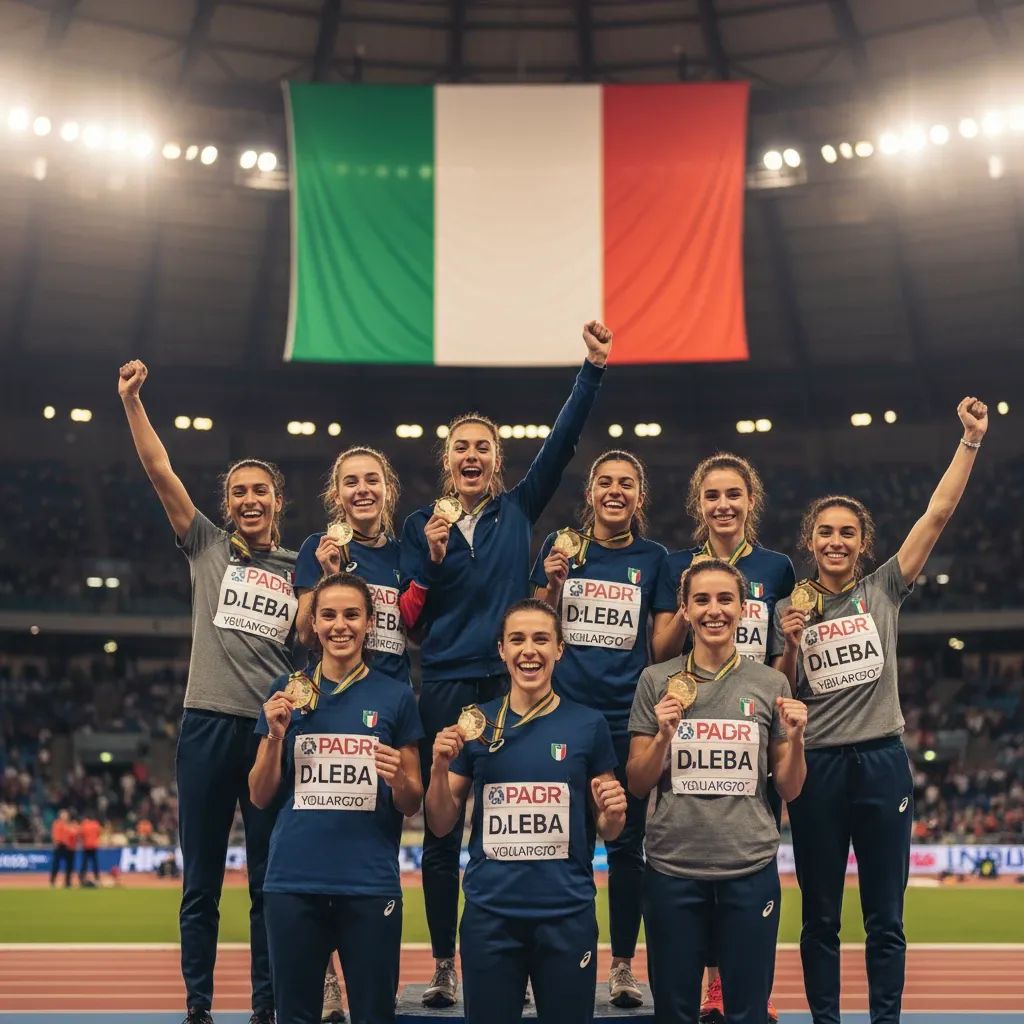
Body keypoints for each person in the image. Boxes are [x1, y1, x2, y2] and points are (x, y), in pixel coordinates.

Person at [400, 321, 613, 1006]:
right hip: (444, 680)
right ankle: (442, 964)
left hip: (508, 683)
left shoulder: (519, 507)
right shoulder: (418, 526)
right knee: (442, 830)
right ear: (446, 460)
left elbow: (563, 442)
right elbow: (405, 622)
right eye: (460, 446)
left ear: (497, 461)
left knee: (513, 820)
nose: (471, 455)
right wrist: (429, 566)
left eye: (483, 448)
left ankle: (526, 954)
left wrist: (592, 370)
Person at [772, 398, 988, 1024]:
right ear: (810, 542)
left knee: (885, 919)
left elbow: (938, 513)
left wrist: (970, 440)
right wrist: (788, 644)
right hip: (818, 772)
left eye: (847, 533)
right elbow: (784, 699)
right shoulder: (790, 609)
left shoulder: (885, 588)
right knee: (818, 917)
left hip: (882, 763)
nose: (835, 542)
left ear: (863, 544)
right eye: (825, 532)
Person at [119, 358, 299, 1024]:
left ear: (278, 502)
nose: (251, 500)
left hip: (267, 738)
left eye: (261, 491)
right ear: (229, 505)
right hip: (203, 726)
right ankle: (197, 1006)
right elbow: (160, 471)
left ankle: (265, 1007)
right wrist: (134, 402)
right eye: (240, 492)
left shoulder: (300, 567)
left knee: (265, 887)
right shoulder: (206, 546)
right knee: (199, 887)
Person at [425, 599, 627, 1024]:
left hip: (566, 915)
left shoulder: (588, 725)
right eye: (517, 639)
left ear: (559, 649)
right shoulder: (474, 724)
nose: (528, 650)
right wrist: (439, 768)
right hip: (490, 917)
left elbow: (609, 828)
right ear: (501, 649)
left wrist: (614, 811)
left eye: (541, 639)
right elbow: (441, 822)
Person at [627, 559, 808, 1024]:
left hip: (748, 868)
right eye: (701, 600)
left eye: (725, 599)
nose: (714, 610)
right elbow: (638, 782)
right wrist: (665, 737)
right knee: (675, 1012)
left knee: (748, 1013)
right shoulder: (655, 681)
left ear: (744, 609)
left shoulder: (771, 684)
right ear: (684, 610)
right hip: (672, 870)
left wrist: (798, 739)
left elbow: (788, 787)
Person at [650, 453, 794, 1023]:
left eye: (733, 494)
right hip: (689, 703)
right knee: (681, 846)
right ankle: (707, 985)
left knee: (745, 842)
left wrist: (780, 679)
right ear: (699, 505)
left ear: (749, 501)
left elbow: (785, 653)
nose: (723, 505)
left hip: (754, 710)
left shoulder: (778, 568)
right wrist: (695, 607)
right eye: (712, 496)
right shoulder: (676, 564)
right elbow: (658, 651)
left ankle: (735, 983)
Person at [250, 573, 423, 1024]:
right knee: (295, 1016)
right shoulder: (285, 692)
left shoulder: (396, 696)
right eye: (328, 615)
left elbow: (411, 801)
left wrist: (398, 777)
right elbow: (260, 794)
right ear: (314, 623)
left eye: (351, 614)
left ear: (369, 623)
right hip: (292, 881)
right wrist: (272, 736)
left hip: (368, 884)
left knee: (374, 1015)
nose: (339, 625)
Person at [531, 449, 666, 1007]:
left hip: (625, 720)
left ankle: (622, 967)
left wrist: (684, 607)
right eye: (605, 482)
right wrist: (554, 584)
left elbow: (658, 647)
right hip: (563, 716)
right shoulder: (562, 549)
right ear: (589, 493)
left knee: (627, 847)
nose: (615, 491)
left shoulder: (654, 558)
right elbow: (535, 626)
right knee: (560, 845)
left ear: (639, 496)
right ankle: (548, 962)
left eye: (627, 484)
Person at [294, 445, 406, 1023]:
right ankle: (327, 980)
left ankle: (365, 976)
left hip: (389, 710)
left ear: (386, 487)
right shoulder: (320, 549)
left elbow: (422, 620)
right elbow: (301, 629)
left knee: (375, 848)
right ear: (335, 494)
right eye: (349, 482)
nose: (361, 489)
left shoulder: (406, 552)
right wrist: (329, 574)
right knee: (320, 841)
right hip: (330, 703)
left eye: (371, 480)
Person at [49, 809, 74, 888]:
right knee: (56, 864)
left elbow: (73, 834)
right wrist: (55, 842)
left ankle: (68, 882)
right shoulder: (57, 823)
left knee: (69, 865)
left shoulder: (70, 824)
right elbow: (55, 834)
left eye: (66, 815)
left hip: (68, 847)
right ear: (60, 815)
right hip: (59, 845)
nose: (65, 816)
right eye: (63, 814)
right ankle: (52, 881)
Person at [79, 815, 102, 886]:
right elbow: (98, 833)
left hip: (86, 846)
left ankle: (82, 878)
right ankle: (97, 878)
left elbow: (81, 834)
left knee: (84, 864)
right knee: (95, 863)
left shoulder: (84, 824)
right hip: (94, 846)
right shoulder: (96, 824)